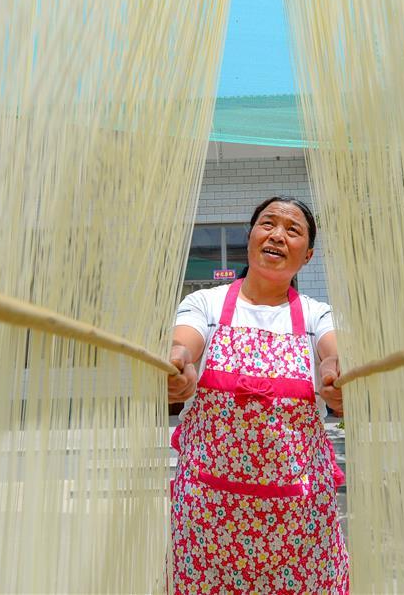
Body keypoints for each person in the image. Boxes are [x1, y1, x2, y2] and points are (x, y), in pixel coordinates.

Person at [167, 196, 349, 593]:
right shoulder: (204, 303)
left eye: (293, 230)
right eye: (268, 223)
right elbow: (185, 343)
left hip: (300, 530)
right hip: (208, 527)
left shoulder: (318, 316)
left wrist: (337, 376)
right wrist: (177, 363)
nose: (278, 235)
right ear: (250, 236)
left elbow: (333, 354)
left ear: (308, 255)